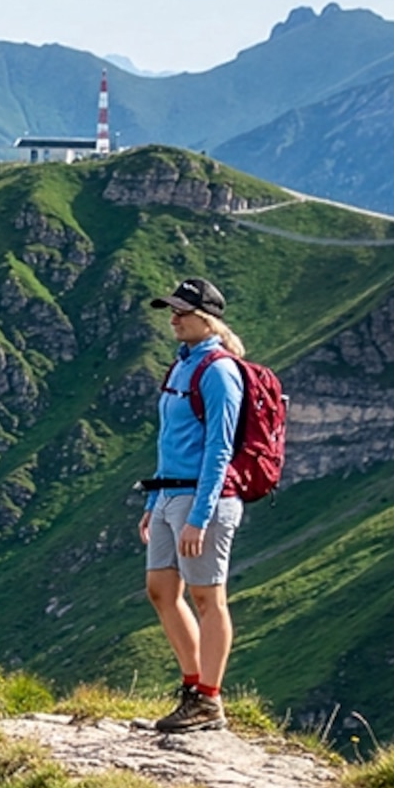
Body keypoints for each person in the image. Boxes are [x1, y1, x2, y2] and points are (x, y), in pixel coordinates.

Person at [138, 276, 246, 734]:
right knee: (161, 590)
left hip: (202, 499)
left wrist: (199, 517)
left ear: (207, 319)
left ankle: (208, 699)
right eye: (172, 310)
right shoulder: (180, 366)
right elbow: (169, 439)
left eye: (182, 312)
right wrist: (153, 498)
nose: (173, 318)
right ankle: (193, 686)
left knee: (207, 597)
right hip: (168, 493)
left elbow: (219, 450)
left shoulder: (219, 370)